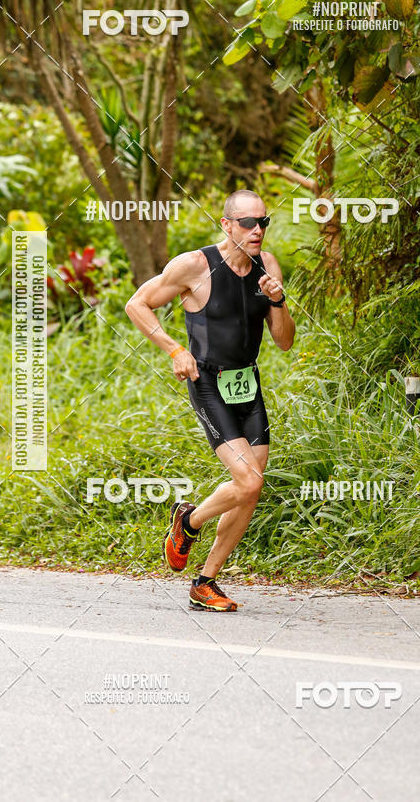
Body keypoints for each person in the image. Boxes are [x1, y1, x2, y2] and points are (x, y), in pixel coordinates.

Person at [125, 189, 295, 611]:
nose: (257, 231)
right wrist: (173, 349)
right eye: (247, 223)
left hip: (247, 385)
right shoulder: (194, 265)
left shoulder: (266, 266)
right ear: (226, 224)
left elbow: (285, 342)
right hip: (208, 383)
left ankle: (205, 581)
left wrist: (277, 299)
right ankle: (189, 522)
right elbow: (137, 304)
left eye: (263, 223)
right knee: (249, 480)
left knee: (249, 491)